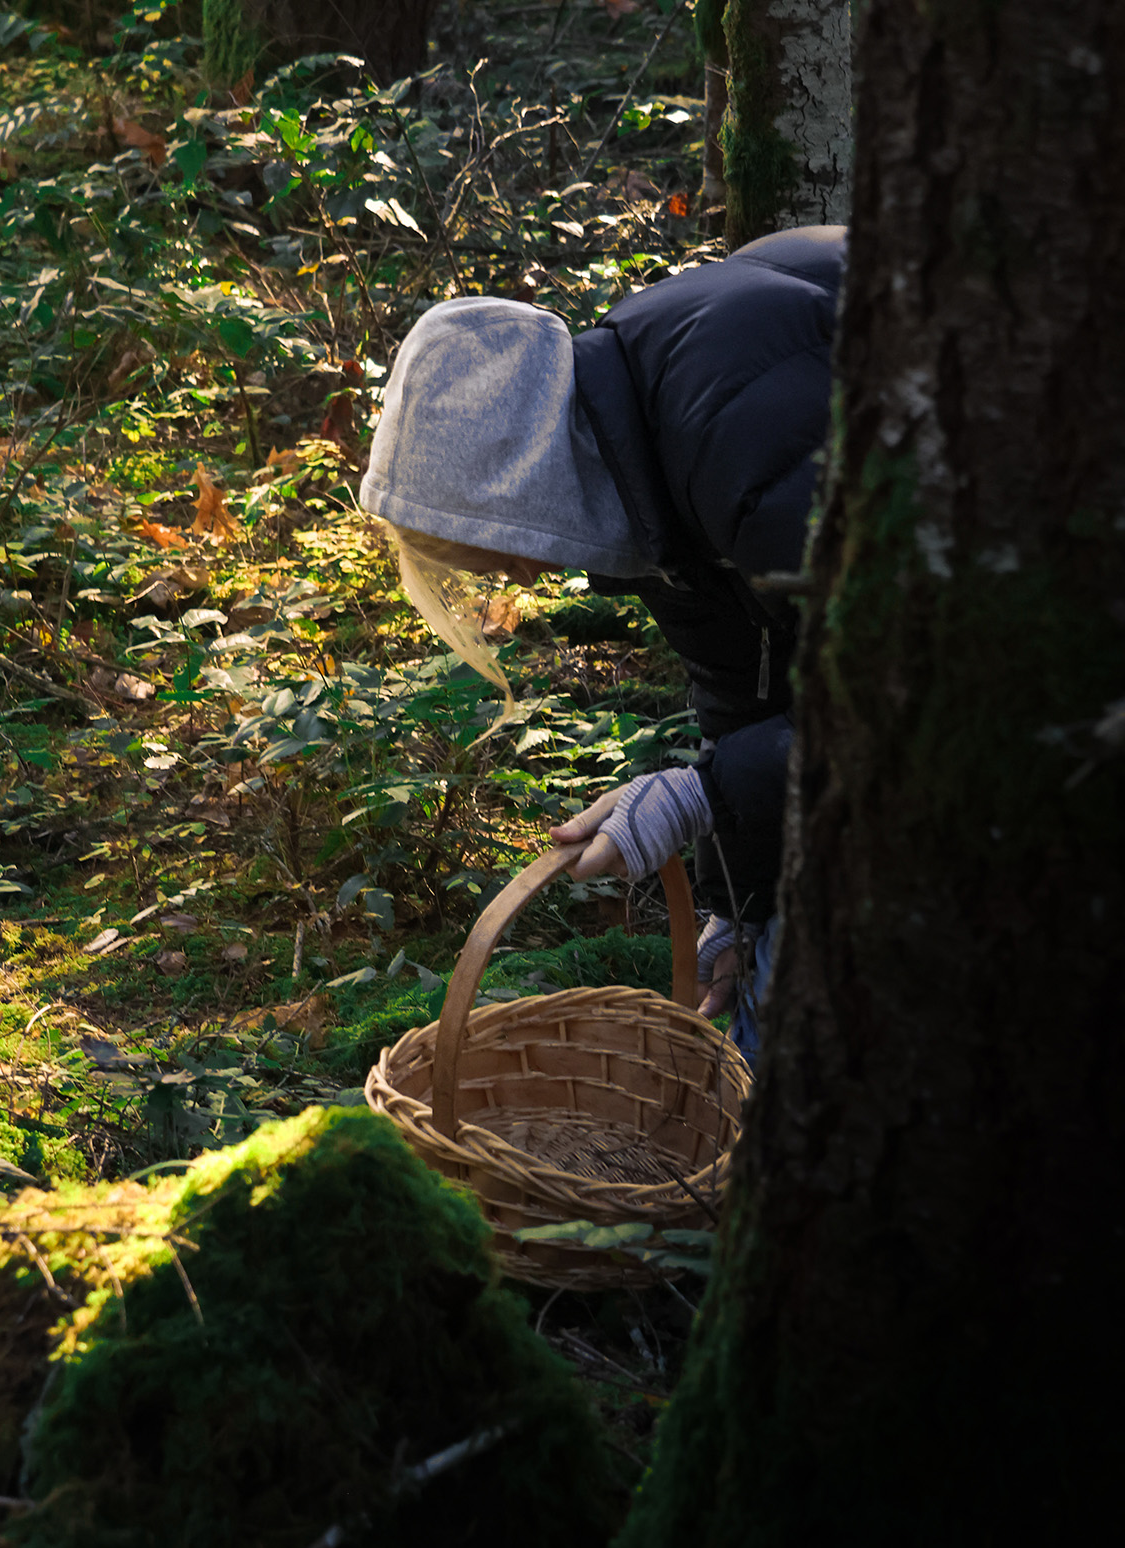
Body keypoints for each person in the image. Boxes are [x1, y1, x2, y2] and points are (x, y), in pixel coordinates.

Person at [358, 225, 846, 1061]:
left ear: (526, 472)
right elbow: (746, 686)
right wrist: (745, 901)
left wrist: (703, 797)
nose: (533, 572)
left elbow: (922, 678)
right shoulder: (630, 445)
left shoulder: (728, 420)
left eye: (509, 549)